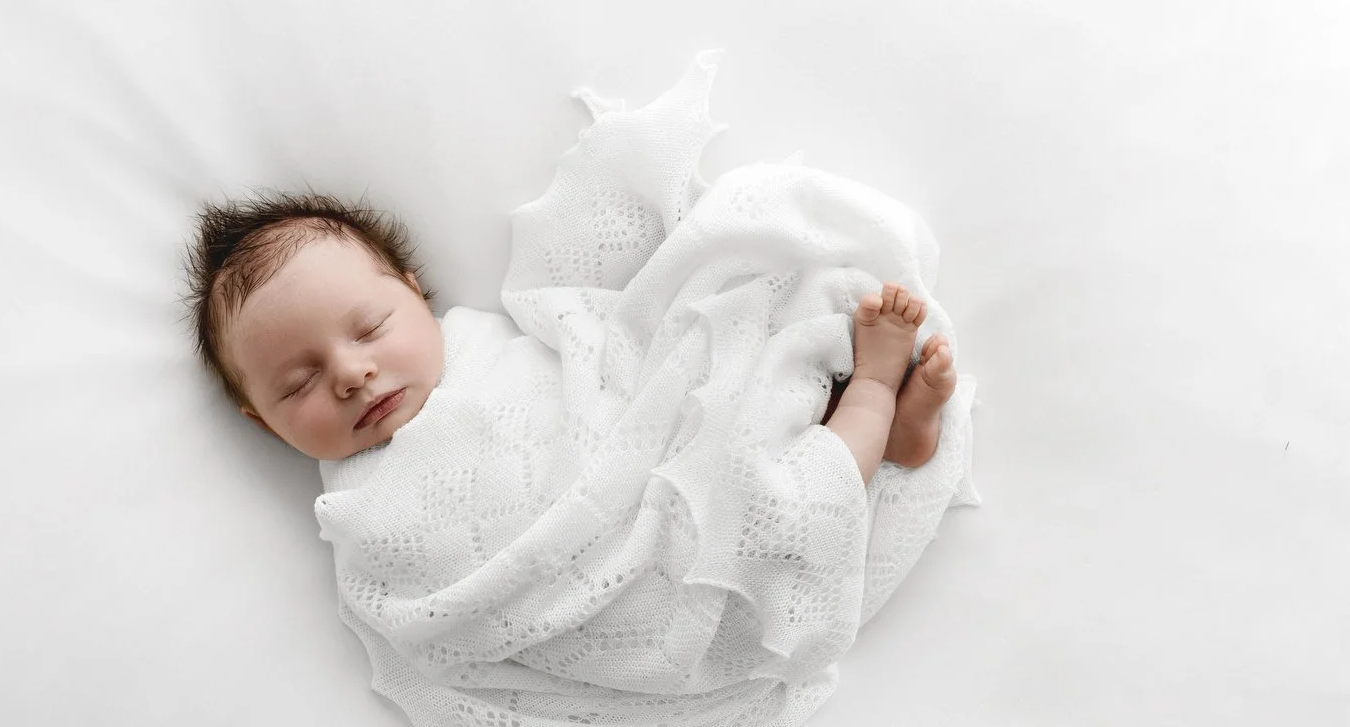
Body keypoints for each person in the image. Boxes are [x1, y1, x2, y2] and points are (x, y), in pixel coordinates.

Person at [181, 191, 957, 483]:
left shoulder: (499, 344)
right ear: (262, 422)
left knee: (741, 405)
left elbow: (616, 352)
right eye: (298, 384)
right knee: (777, 500)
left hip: (650, 446)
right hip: (635, 552)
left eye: (370, 328)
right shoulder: (361, 514)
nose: (350, 374)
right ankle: (880, 411)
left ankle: (872, 405)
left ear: (415, 297)